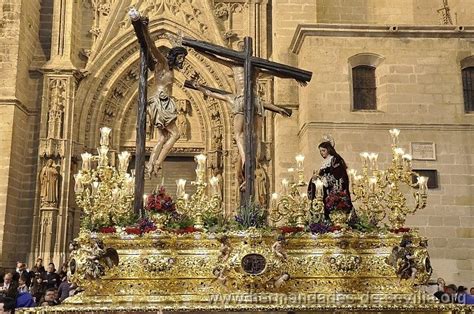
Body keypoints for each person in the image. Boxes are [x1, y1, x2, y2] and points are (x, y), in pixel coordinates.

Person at [145, 39, 188, 177]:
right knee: (175, 134)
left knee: (163, 137)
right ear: (174, 56)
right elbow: (153, 47)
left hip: (163, 102)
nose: (182, 61)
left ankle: (151, 163)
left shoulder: (169, 69)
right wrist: (145, 33)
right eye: (180, 58)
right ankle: (158, 163)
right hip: (161, 102)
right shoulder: (163, 63)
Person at [308, 139, 352, 221]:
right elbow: (321, 175)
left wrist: (325, 179)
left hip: (334, 190)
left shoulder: (335, 159)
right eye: (320, 151)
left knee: (334, 207)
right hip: (325, 190)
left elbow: (338, 175)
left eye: (323, 150)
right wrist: (315, 179)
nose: (322, 153)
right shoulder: (324, 163)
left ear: (328, 150)